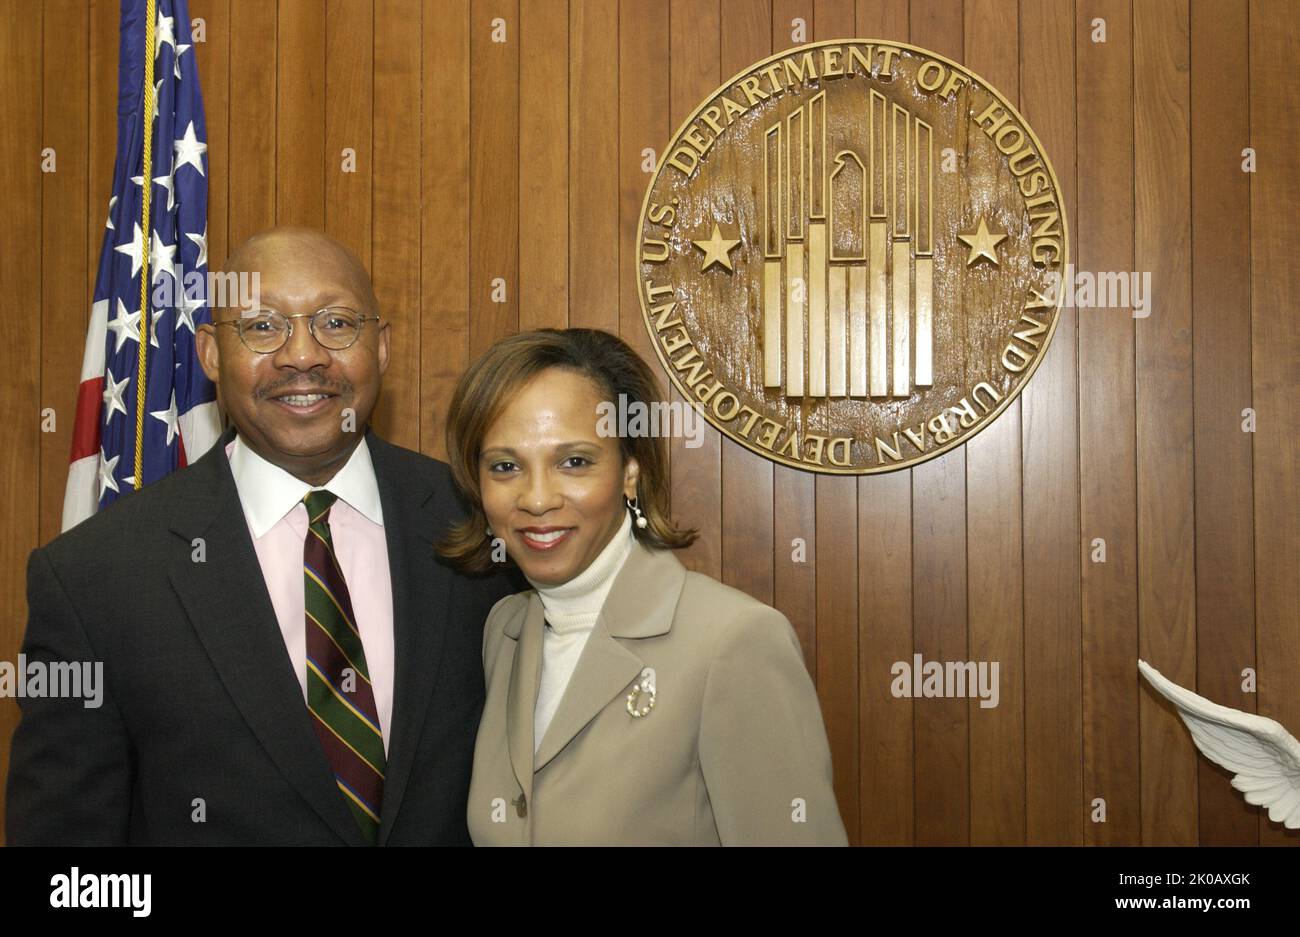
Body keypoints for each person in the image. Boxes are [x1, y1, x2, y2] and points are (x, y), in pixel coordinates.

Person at [6, 227, 519, 845]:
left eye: (336, 323)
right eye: (261, 326)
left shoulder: (486, 528)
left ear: (381, 347)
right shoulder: (95, 576)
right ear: (210, 354)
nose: (302, 355)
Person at [437, 328, 848, 845]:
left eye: (574, 462)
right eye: (505, 466)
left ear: (631, 471)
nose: (536, 498)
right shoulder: (506, 629)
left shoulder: (734, 641)